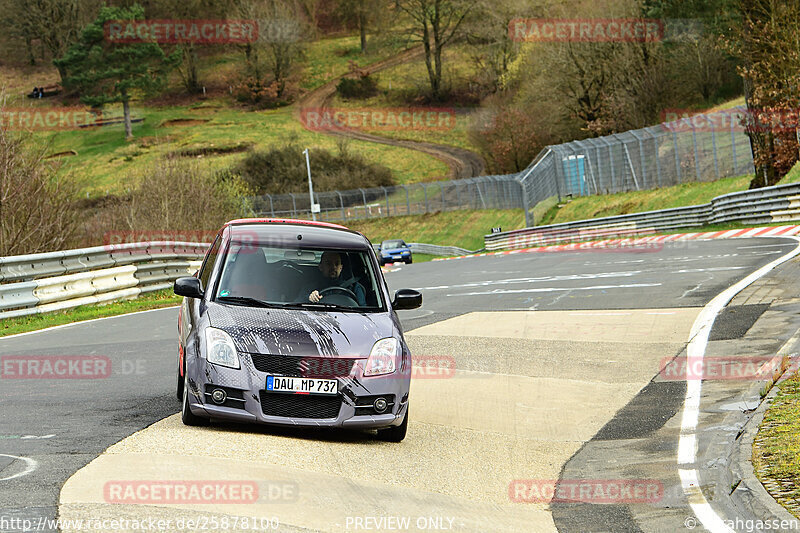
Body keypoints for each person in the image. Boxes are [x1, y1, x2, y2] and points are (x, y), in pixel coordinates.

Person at [301, 251, 366, 306]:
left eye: (337, 264)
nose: (333, 267)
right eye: (328, 264)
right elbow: (298, 305)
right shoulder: (310, 288)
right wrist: (309, 298)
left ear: (341, 268)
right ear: (320, 267)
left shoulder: (354, 287)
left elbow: (364, 312)